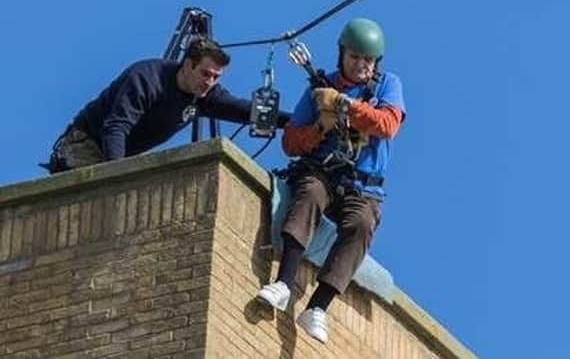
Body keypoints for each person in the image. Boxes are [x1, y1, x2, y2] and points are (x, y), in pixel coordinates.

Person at [256, 18, 406, 343]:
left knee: (362, 223)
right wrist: (319, 128)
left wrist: (345, 106)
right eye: (355, 57)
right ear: (343, 55)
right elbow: (291, 142)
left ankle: (318, 308)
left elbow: (387, 124)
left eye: (367, 60)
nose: (361, 65)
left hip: (363, 187)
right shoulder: (319, 89)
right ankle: (283, 282)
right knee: (308, 192)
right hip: (324, 172)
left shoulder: (387, 86)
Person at [44, 37, 290, 173]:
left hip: (121, 157)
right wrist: (116, 176)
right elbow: (116, 127)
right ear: (187, 64)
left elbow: (244, 110)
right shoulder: (146, 78)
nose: (210, 82)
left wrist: (294, 121)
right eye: (205, 74)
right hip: (87, 147)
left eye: (216, 77)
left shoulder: (205, 95)